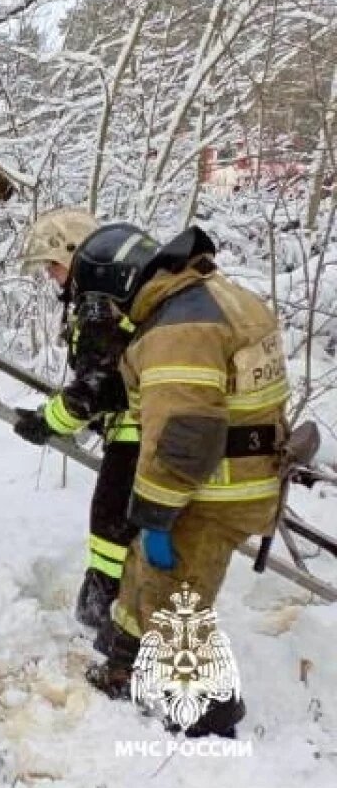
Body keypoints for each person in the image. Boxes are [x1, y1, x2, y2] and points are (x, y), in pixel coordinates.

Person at [66, 223, 290, 737]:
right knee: (143, 569)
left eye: (104, 303)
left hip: (213, 488)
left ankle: (210, 711)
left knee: (174, 592)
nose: (109, 318)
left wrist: (156, 514)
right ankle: (123, 667)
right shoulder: (213, 297)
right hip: (244, 474)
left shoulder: (177, 331)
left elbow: (183, 439)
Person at [12, 208, 141, 630]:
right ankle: (113, 601)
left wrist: (47, 421)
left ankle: (109, 609)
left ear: (74, 254)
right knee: (121, 520)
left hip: (139, 431)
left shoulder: (98, 303)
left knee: (110, 521)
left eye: (53, 264)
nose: (50, 274)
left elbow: (98, 387)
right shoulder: (116, 294)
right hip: (146, 426)